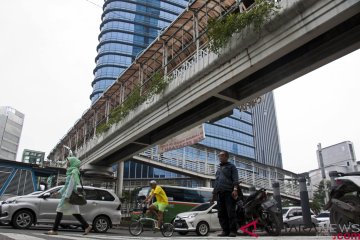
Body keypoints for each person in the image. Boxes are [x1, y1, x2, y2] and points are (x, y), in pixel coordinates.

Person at [46, 156, 92, 235]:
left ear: (72, 162)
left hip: (69, 195)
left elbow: (71, 185)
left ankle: (54, 230)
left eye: (68, 161)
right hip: (70, 195)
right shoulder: (71, 171)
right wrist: (58, 192)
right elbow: (66, 186)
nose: (67, 162)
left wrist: (67, 197)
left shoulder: (74, 172)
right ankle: (87, 226)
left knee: (59, 210)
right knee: (75, 213)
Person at [211, 151, 239, 237]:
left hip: (228, 193)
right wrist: (214, 195)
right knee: (221, 213)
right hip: (219, 193)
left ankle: (233, 231)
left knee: (230, 212)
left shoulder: (232, 167)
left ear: (226, 157)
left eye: (222, 156)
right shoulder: (219, 169)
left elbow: (235, 179)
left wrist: (235, 190)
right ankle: (225, 231)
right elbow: (216, 182)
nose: (220, 157)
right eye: (219, 156)